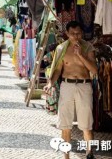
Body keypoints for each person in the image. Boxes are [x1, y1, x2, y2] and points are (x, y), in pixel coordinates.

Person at [43, 21, 98, 159]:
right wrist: (50, 83)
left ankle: (89, 153)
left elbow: (94, 70)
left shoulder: (88, 47)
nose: (76, 36)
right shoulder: (61, 48)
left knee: (86, 123)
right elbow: (57, 70)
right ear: (67, 33)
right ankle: (66, 156)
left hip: (84, 85)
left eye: (78, 33)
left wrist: (80, 55)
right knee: (65, 124)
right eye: (72, 33)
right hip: (66, 85)